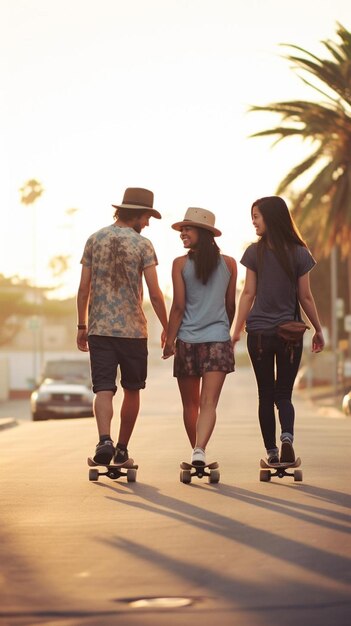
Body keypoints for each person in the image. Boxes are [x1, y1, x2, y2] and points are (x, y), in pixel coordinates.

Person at [77, 187, 168, 465]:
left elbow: (83, 289)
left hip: (100, 329)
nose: (148, 223)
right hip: (133, 332)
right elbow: (154, 293)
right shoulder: (143, 245)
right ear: (138, 215)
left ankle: (104, 440)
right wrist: (168, 328)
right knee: (132, 389)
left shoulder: (95, 239)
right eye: (147, 217)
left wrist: (82, 324)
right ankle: (122, 449)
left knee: (103, 388)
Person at [232, 196, 324, 465]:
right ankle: (286, 438)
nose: (253, 222)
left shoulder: (254, 252)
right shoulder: (300, 252)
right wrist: (318, 329)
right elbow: (306, 297)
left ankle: (272, 452)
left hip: (259, 333)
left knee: (266, 395)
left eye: (257, 216)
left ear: (271, 218)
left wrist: (236, 331)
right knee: (284, 394)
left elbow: (248, 293)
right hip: (289, 335)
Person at [163, 207, 237, 466]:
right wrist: (223, 331)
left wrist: (169, 340)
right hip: (217, 340)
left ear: (204, 232)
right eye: (182, 228)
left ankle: (196, 451)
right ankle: (200, 450)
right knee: (208, 403)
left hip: (187, 341)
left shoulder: (180, 265)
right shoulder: (229, 264)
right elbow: (230, 305)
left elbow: (179, 307)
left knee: (191, 404)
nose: (182, 232)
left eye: (188, 228)